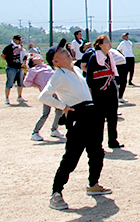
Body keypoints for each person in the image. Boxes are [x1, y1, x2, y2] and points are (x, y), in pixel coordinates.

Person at [38, 39, 112, 211]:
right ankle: (56, 193)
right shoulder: (58, 75)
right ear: (55, 62)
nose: (67, 52)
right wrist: (63, 107)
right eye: (62, 53)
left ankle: (93, 184)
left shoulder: (76, 69)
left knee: (96, 151)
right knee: (72, 156)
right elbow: (43, 97)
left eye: (66, 50)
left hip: (92, 112)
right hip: (78, 115)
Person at [86, 35, 123, 148]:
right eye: (107, 41)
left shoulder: (109, 57)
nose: (109, 43)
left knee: (112, 116)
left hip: (111, 90)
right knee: (99, 119)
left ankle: (113, 141)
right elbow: (89, 78)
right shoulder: (94, 58)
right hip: (99, 92)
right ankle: (98, 142)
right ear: (100, 44)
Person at [24, 55, 63, 141]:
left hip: (55, 91)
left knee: (60, 109)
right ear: (33, 62)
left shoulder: (47, 67)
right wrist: (38, 86)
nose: (37, 57)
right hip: (47, 93)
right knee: (46, 112)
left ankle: (54, 129)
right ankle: (35, 132)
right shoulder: (34, 70)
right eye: (34, 58)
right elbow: (26, 82)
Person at [1, 35, 27, 105]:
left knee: (20, 83)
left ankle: (19, 96)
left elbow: (24, 56)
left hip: (19, 67)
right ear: (15, 40)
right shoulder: (9, 47)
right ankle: (7, 98)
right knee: (9, 83)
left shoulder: (20, 47)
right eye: (19, 40)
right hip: (11, 67)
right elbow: (2, 55)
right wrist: (8, 61)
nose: (20, 42)